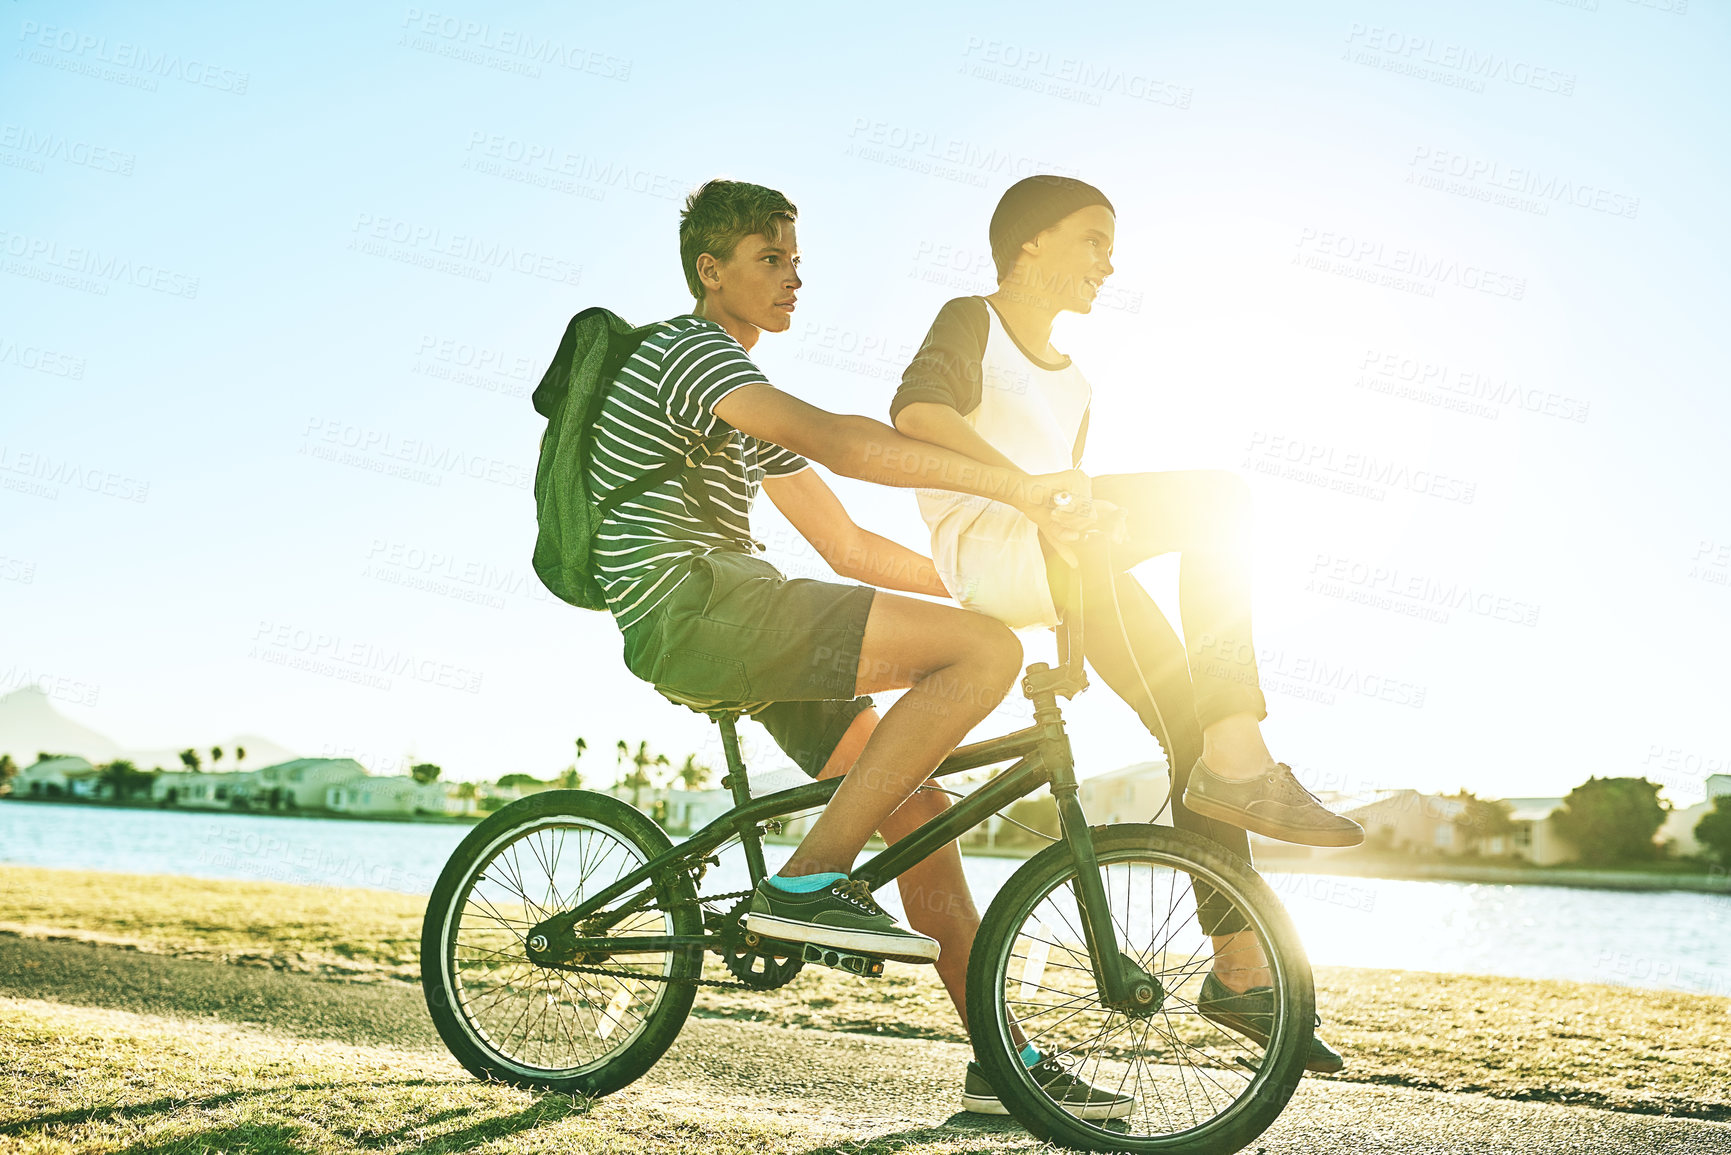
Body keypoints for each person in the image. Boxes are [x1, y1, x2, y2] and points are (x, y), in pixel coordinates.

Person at [590, 177, 1133, 1118]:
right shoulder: (688, 354)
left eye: (797, 261)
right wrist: (1016, 493)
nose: (793, 277)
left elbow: (848, 547)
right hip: (699, 604)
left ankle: (1003, 1064)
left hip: (736, 614)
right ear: (708, 269)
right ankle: (805, 877)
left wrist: (988, 580)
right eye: (770, 259)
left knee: (917, 813)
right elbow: (841, 441)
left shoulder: (733, 394)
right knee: (982, 655)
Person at [889, 174, 1363, 1073]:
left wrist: (1069, 626)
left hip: (1064, 567)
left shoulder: (1077, 385)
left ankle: (1236, 973)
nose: (1110, 263)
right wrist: (1033, 494)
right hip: (990, 547)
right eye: (1092, 240)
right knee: (1221, 500)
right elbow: (918, 412)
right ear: (1029, 245)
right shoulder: (970, 320)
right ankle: (1242, 745)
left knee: (1192, 738)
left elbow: (1076, 517)